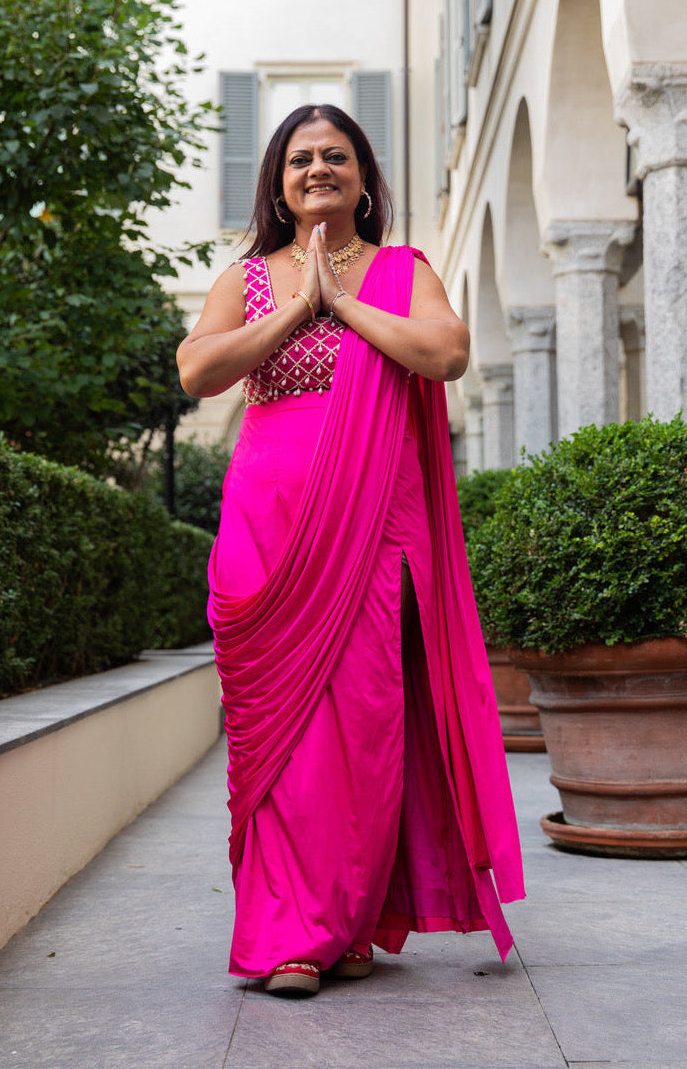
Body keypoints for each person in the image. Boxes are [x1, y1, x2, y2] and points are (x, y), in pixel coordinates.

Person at [177, 104, 524, 997]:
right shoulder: (249, 276)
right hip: (269, 522)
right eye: (302, 159)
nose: (319, 169)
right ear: (279, 183)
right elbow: (199, 370)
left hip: (374, 520)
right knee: (279, 738)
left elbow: (446, 353)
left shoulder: (403, 272)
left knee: (363, 722)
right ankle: (287, 933)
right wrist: (300, 306)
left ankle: (351, 920)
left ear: (366, 179)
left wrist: (347, 304)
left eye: (338, 156)